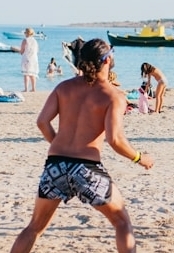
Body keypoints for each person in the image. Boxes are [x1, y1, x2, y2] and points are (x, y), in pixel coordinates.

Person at [9, 38, 154, 253]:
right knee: (122, 222)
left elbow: (42, 122)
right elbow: (115, 140)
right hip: (87, 169)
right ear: (107, 60)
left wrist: (59, 144)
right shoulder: (113, 96)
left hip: (55, 165)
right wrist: (140, 158)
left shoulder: (63, 87)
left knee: (35, 227)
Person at [20, 27, 39, 92]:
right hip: (34, 58)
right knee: (32, 74)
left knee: (26, 74)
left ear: (26, 33)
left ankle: (26, 89)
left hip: (26, 58)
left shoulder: (25, 40)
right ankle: (33, 88)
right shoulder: (35, 41)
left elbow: (22, 50)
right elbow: (37, 50)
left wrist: (21, 52)